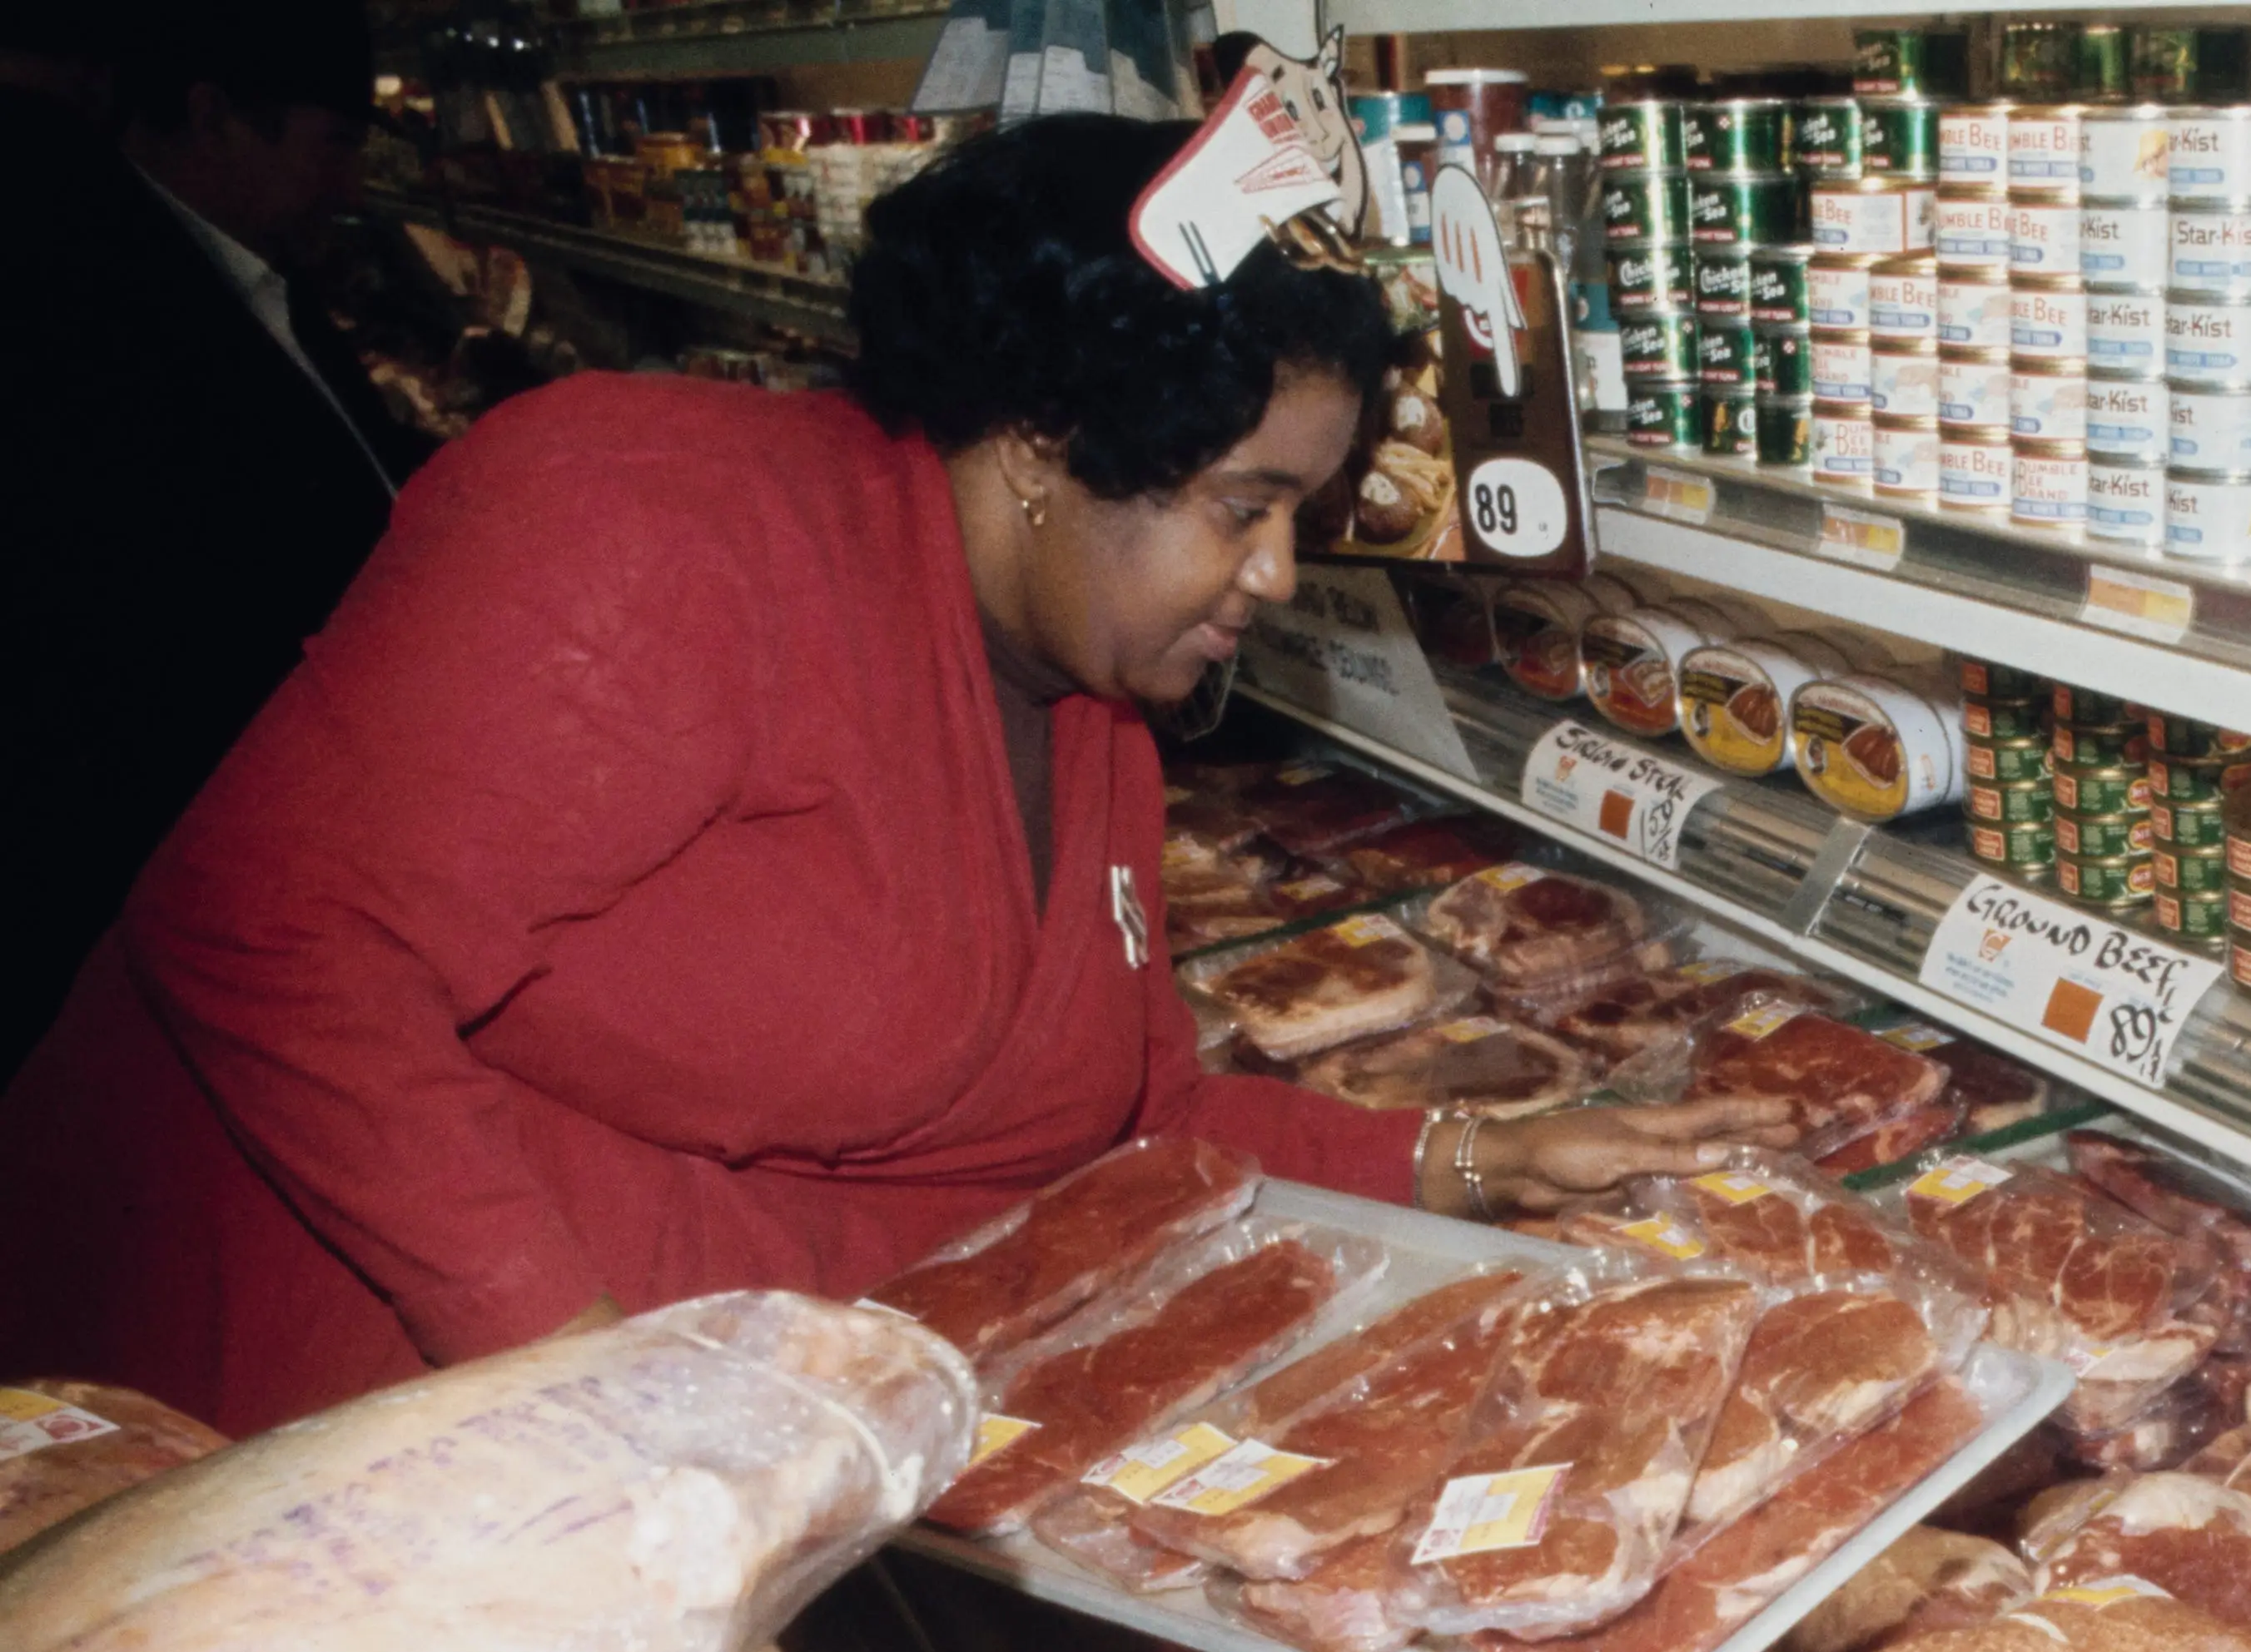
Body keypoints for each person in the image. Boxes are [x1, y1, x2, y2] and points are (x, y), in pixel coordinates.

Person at [0, 117, 1780, 1432]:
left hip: (734, 1407)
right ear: (1041, 446)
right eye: (1243, 508)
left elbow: (1110, 1128)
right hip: (297, 1393)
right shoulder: (654, 519)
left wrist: (1477, 1149)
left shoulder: (1091, 714)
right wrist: (584, 1383)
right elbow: (276, 936)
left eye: (1300, 516)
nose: (1277, 579)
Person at [0, 0, 409, 1080]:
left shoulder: (238, 266)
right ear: (210, 113)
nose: (352, 186)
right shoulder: (92, 300)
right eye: (332, 143)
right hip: (217, 891)